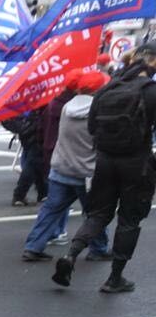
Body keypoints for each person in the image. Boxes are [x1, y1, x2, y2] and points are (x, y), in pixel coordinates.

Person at [54, 42, 156, 293]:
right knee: (130, 220)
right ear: (152, 61)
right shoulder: (150, 91)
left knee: (98, 214)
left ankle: (70, 255)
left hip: (105, 160)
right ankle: (115, 278)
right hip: (136, 163)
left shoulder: (108, 86)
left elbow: (91, 128)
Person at [24, 70, 112, 261]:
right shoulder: (100, 111)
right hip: (86, 172)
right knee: (95, 214)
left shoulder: (67, 106)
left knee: (51, 209)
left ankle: (33, 247)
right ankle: (98, 249)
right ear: (98, 90)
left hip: (61, 167)